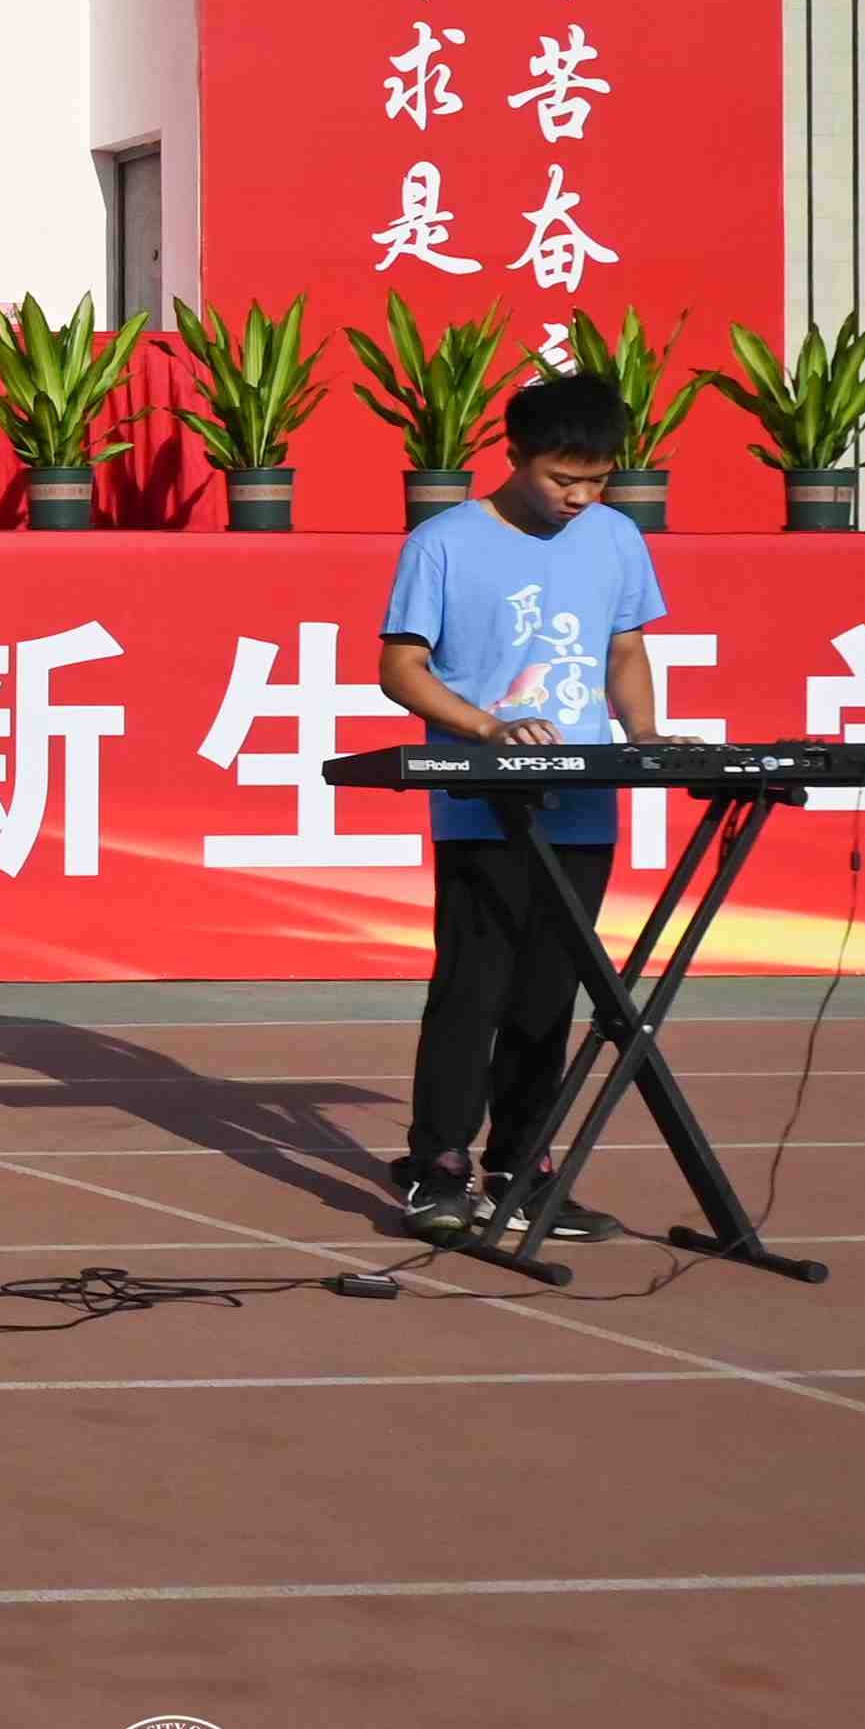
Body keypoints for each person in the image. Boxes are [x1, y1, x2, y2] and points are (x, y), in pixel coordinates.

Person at [374, 366, 663, 1248]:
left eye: (597, 481)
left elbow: (623, 650)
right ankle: (439, 1163)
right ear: (515, 455)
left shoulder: (616, 537)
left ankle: (523, 1166)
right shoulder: (445, 542)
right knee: (475, 985)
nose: (581, 497)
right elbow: (401, 668)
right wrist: (487, 729)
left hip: (582, 803)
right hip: (484, 803)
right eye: (562, 479)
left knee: (551, 991)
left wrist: (646, 735)